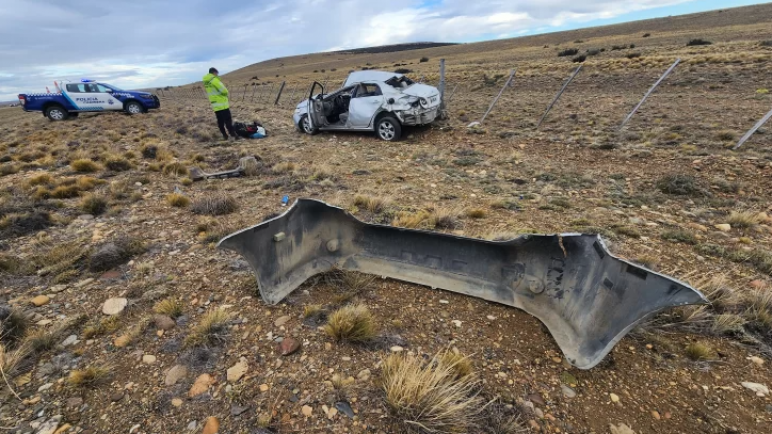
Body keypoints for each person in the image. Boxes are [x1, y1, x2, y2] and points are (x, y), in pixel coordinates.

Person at [203, 67, 237, 140]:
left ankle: (225, 135)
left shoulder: (206, 82)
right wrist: (225, 93)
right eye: (217, 73)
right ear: (214, 72)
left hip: (215, 105)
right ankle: (233, 135)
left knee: (220, 121)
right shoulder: (214, 80)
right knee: (228, 120)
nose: (217, 75)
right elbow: (224, 91)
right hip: (222, 104)